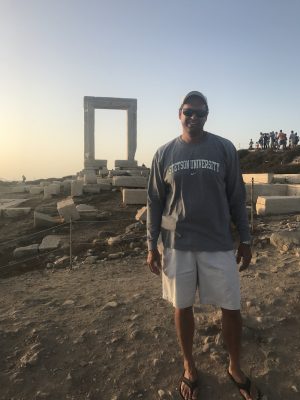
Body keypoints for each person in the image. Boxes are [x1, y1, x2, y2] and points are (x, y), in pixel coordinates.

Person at [147, 91, 261, 400]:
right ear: (179, 113)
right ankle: (189, 366)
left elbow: (237, 197)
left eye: (200, 112)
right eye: (188, 112)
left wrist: (246, 240)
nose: (193, 117)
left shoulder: (224, 149)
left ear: (207, 115)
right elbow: (155, 202)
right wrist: (150, 244)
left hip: (219, 243)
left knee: (232, 307)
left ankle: (235, 366)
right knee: (182, 307)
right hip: (175, 245)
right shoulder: (164, 153)